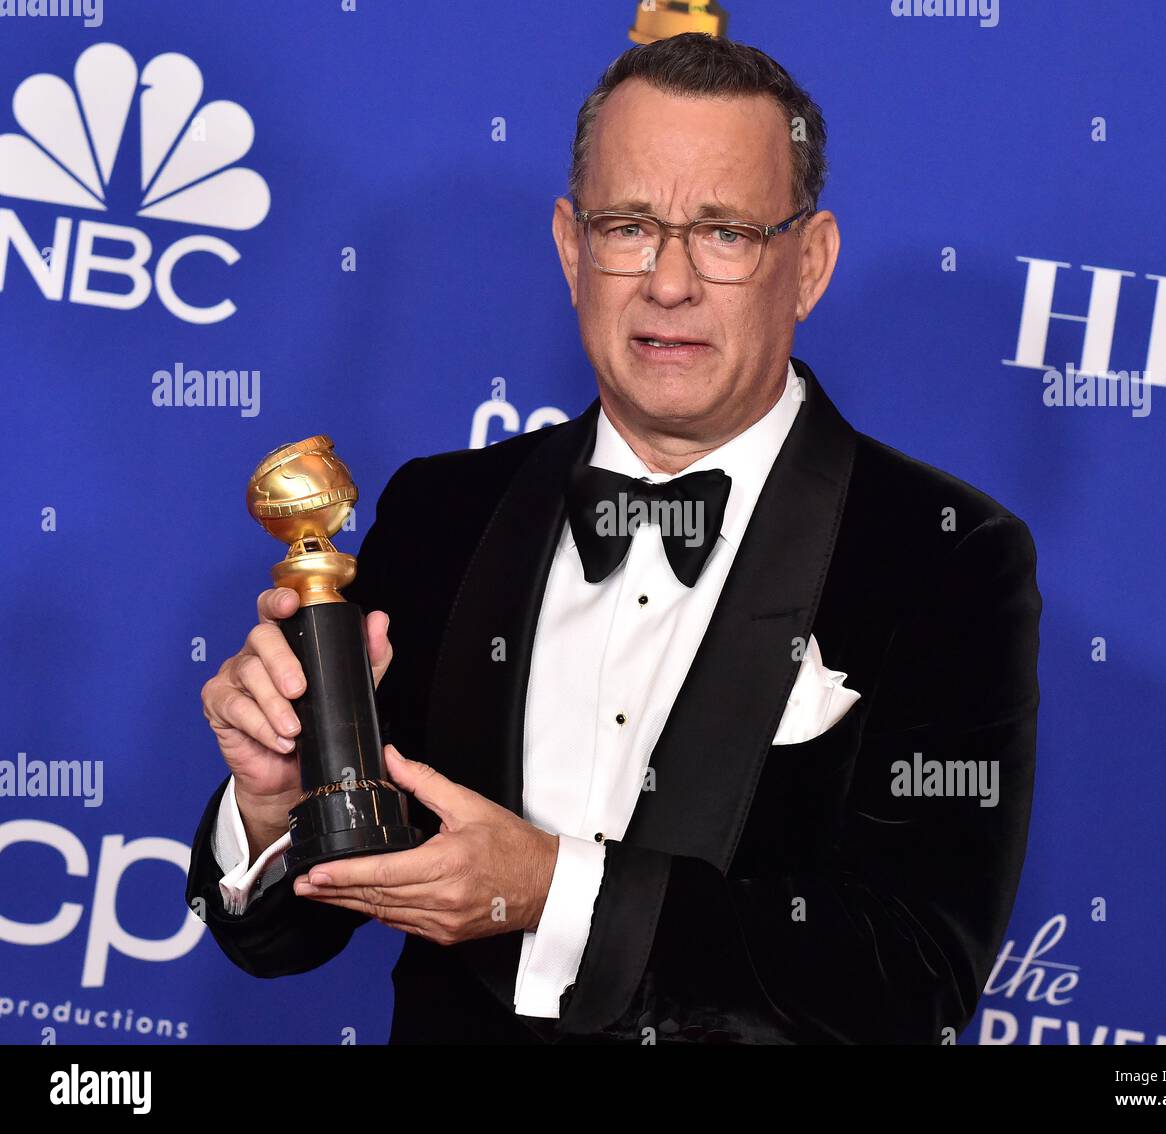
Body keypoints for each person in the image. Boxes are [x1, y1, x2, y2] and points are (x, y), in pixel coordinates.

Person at [187, 32, 1041, 1045]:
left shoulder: (941, 556)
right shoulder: (442, 511)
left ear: (807, 265)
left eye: (724, 233)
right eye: (630, 225)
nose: (668, 282)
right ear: (570, 245)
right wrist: (277, 803)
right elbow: (284, 942)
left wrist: (555, 890)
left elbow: (910, 978)